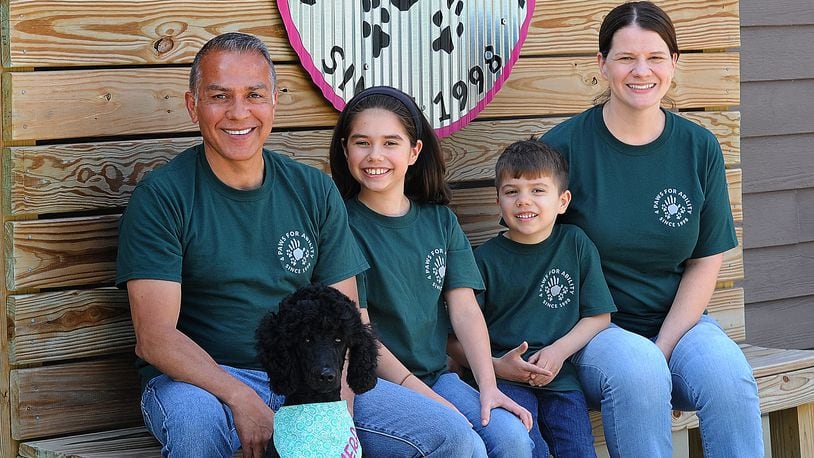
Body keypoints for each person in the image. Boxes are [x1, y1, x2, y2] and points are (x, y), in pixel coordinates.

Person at [116, 32, 480, 458]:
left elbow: (345, 320)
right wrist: (240, 397)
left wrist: (336, 416)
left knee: (450, 436)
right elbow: (155, 338)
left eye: (254, 94)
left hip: (314, 374)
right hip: (201, 382)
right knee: (196, 427)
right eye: (219, 96)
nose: (238, 112)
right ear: (193, 105)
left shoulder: (312, 190)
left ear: (274, 101)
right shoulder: (163, 197)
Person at [538, 2, 763, 457]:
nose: (642, 71)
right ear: (602, 64)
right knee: (639, 373)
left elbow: (704, 259)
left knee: (727, 375)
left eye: (656, 57)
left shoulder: (699, 146)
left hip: (678, 321)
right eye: (626, 58)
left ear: (674, 63)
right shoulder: (562, 148)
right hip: (594, 333)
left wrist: (663, 345)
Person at [329, 85, 535, 457]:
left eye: (391, 142)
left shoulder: (440, 221)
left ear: (414, 151)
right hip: (375, 382)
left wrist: (488, 386)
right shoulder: (340, 223)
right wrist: (432, 402)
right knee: (461, 440)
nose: (375, 155)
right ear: (345, 150)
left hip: (436, 374)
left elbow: (465, 310)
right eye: (362, 143)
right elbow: (359, 333)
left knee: (514, 438)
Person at [470, 140, 616, 457]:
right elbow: (456, 338)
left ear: (562, 201)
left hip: (561, 380)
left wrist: (559, 350)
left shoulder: (575, 244)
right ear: (498, 200)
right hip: (506, 381)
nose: (524, 201)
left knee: (578, 450)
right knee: (529, 446)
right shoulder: (484, 260)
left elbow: (599, 316)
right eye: (512, 192)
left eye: (537, 190)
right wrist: (497, 367)